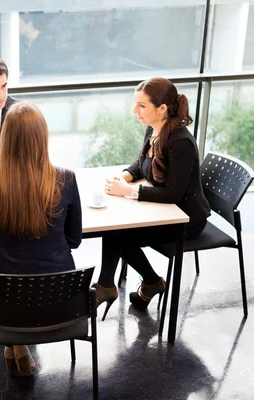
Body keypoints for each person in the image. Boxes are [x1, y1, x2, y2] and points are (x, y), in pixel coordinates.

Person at [0, 102, 82, 377]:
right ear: (42, 137)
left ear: (6, 139)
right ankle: (17, 347)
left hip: (7, 302)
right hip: (60, 298)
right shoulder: (66, 179)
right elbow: (74, 239)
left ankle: (16, 344)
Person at [92, 77, 211, 317]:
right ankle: (142, 282)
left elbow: (172, 194)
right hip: (162, 211)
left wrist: (129, 192)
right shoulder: (154, 128)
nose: (134, 111)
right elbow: (140, 163)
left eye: (141, 106)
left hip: (185, 220)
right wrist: (124, 177)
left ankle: (118, 285)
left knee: (119, 233)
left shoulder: (182, 142)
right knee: (116, 230)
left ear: (162, 109)